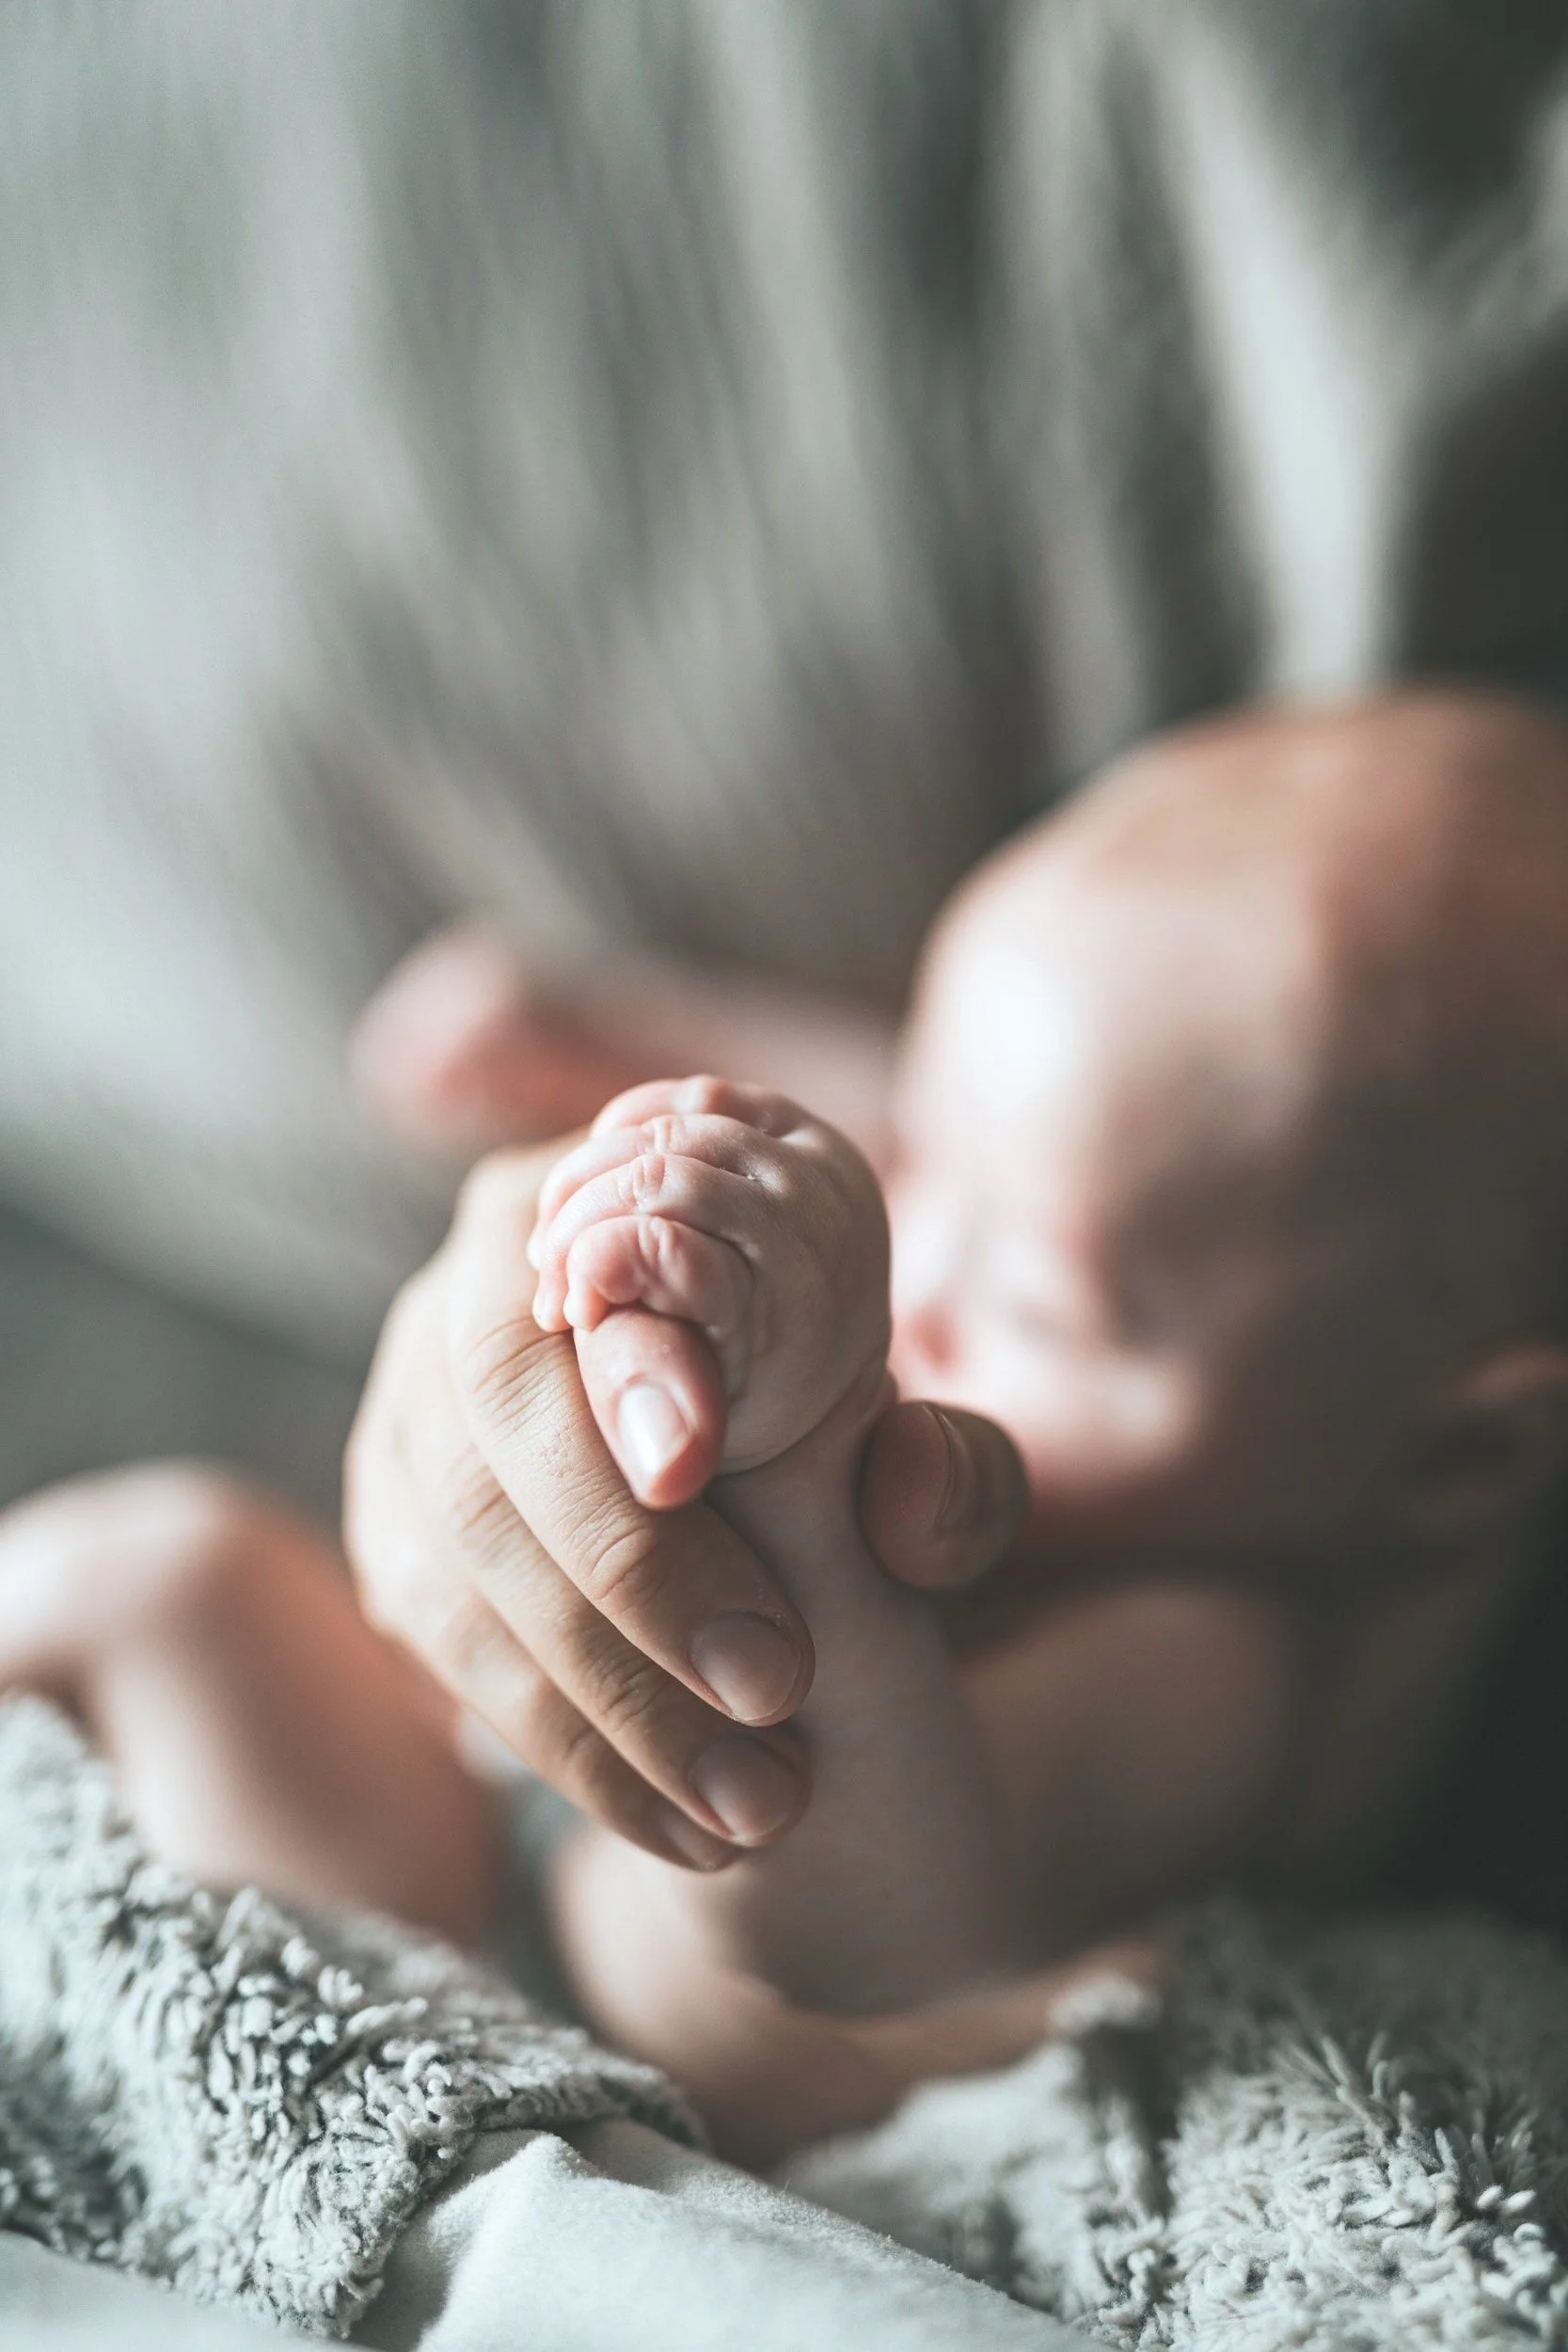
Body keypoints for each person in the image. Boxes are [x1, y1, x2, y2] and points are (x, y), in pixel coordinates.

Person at [8, 685, 1568, 2162]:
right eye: (923, 1164)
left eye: (1029, 1302)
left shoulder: (1215, 1660)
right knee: (163, 1559)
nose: (914, 1274)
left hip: (502, 2023)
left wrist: (800, 1462)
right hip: (449, 1825)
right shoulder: (1135, 1233)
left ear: (1459, 1458)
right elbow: (937, 1134)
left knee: (161, 1573)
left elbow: (839, 1930)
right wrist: (609, 1041)